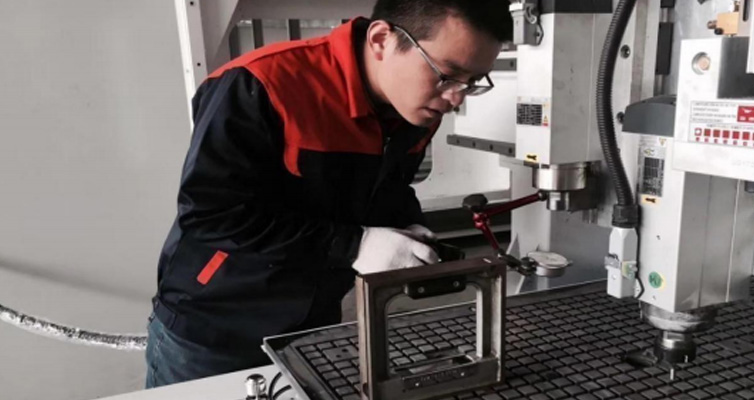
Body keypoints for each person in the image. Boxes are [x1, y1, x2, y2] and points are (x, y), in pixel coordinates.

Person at [145, 0, 512, 388]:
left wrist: (408, 225)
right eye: (447, 75)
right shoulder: (260, 84)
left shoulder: (417, 109)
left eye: (472, 82)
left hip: (313, 324)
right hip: (214, 329)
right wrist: (356, 246)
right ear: (382, 40)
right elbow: (213, 215)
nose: (456, 99)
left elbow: (389, 186)